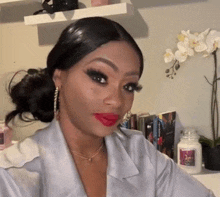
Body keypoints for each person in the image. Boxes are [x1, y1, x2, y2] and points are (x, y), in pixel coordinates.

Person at [0, 17, 215, 197]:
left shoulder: (139, 152)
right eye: (99, 77)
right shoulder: (12, 173)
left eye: (129, 86)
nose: (117, 101)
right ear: (59, 77)